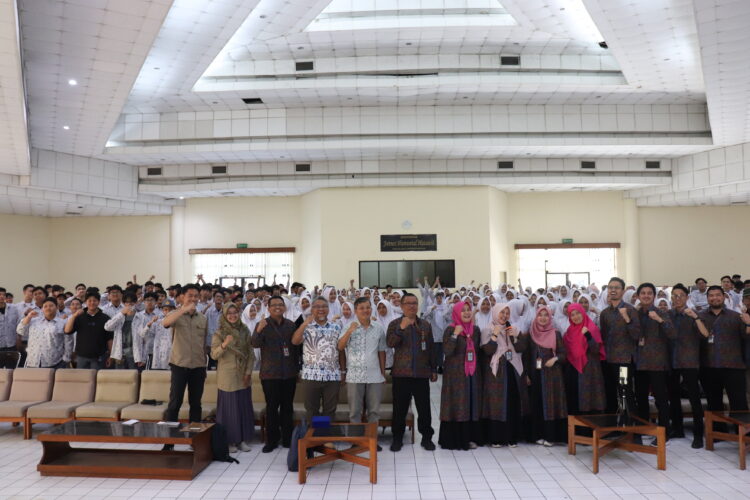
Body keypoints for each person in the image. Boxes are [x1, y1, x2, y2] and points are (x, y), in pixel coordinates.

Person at [386, 292, 437, 451]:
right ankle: (397, 438)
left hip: (421, 374)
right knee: (400, 409)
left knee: (424, 409)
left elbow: (431, 348)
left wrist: (433, 369)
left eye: (414, 303)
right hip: (401, 374)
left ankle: (426, 438)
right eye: (408, 303)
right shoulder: (395, 324)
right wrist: (401, 328)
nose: (412, 306)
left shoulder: (425, 325)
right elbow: (390, 343)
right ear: (401, 306)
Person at [251, 295, 299, 453]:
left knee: (287, 408)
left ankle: (287, 439)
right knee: (272, 408)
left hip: (289, 373)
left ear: (284, 307)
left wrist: (297, 369)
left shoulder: (291, 325)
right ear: (269, 308)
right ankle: (271, 441)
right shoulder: (263, 324)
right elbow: (254, 343)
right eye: (274, 305)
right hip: (270, 374)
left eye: (280, 305)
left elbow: (295, 349)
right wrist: (258, 330)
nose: (277, 307)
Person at [337, 297, 386, 451]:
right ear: (356, 311)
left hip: (374, 375)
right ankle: (356, 441)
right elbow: (340, 347)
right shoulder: (348, 326)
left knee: (373, 411)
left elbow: (381, 351)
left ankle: (372, 440)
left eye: (368, 307)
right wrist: (350, 331)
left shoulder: (378, 328)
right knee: (355, 412)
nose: (366, 310)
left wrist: (383, 373)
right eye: (362, 308)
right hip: (354, 376)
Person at [699, 285, 750, 427]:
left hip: (733, 366)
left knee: (739, 402)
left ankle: (743, 434)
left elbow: (746, 337)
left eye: (718, 295)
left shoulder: (736, 316)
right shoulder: (700, 317)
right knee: (713, 402)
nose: (714, 298)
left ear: (723, 297)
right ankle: (718, 433)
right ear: (707, 298)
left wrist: (749, 323)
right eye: (711, 295)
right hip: (709, 366)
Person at [162, 284, 209, 435]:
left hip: (198, 366)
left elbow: (203, 344)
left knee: (196, 405)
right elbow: (165, 323)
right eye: (190, 295)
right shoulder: (175, 314)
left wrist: (204, 365)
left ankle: (195, 439)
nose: (194, 298)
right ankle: (170, 441)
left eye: (196, 296)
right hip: (179, 365)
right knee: (175, 403)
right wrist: (182, 309)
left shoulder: (203, 318)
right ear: (182, 297)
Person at [480, 303, 528, 448]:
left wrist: (516, 337)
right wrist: (494, 335)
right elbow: (488, 351)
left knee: (512, 402)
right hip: (497, 372)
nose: (504, 316)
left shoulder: (512, 328)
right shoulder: (487, 329)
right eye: (502, 313)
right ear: (495, 313)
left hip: (513, 369)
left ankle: (512, 436)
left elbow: (522, 348)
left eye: (507, 313)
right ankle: (497, 438)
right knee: (497, 404)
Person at [633, 283, 676, 440]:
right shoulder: (635, 313)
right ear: (638, 296)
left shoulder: (661, 313)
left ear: (654, 296)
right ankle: (644, 428)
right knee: (641, 397)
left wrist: (659, 320)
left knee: (661, 398)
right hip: (639, 362)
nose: (646, 296)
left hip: (657, 362)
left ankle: (665, 430)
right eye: (642, 293)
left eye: (649, 293)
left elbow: (672, 334)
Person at [438, 301, 483, 450]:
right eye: (462, 311)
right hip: (455, 377)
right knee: (457, 406)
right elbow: (447, 351)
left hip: (471, 375)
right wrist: (455, 335)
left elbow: (478, 352)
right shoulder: (450, 329)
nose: (466, 313)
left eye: (468, 310)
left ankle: (470, 438)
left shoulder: (475, 330)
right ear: (456, 313)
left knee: (470, 404)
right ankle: (456, 440)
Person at [668, 283, 708, 448]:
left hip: (690, 361)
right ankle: (677, 428)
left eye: (681, 296)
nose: (678, 299)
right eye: (675, 296)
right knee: (674, 397)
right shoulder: (668, 314)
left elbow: (705, 334)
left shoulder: (694, 314)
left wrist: (696, 318)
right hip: (671, 361)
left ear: (687, 297)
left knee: (694, 398)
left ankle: (698, 433)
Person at [211, 303, 255, 453]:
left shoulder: (245, 330)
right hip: (227, 376)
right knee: (229, 410)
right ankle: (229, 441)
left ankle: (241, 440)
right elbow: (214, 355)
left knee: (242, 408)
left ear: (239, 313)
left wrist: (248, 372)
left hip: (243, 375)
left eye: (235, 312)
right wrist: (224, 344)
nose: (232, 315)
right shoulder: (219, 333)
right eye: (229, 313)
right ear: (224, 315)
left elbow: (250, 354)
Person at [292, 297, 342, 426]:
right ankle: (313, 439)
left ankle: (325, 439)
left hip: (332, 376)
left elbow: (341, 350)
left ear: (328, 309)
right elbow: (295, 341)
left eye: (324, 306)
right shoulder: (307, 327)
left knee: (329, 410)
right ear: (312, 309)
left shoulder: (336, 327)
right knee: (312, 410)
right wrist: (304, 324)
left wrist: (343, 371)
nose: (321, 309)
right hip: (310, 375)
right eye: (317, 307)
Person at [525, 306, 567, 446]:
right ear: (536, 317)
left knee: (551, 404)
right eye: (540, 315)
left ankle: (551, 436)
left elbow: (563, 354)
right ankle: (538, 435)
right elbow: (526, 356)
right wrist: (526, 375)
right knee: (537, 404)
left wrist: (554, 359)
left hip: (552, 376)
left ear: (550, 318)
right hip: (535, 375)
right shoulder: (531, 334)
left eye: (546, 315)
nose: (543, 318)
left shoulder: (556, 334)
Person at [599, 277, 640, 413]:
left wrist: (627, 319)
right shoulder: (605, 313)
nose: (613, 290)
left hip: (624, 361)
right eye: (610, 287)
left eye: (616, 288)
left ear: (623, 291)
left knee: (625, 393)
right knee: (610, 393)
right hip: (608, 361)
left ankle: (631, 429)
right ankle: (612, 428)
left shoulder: (630, 310)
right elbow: (603, 336)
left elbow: (636, 335)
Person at [564, 303, 606, 415]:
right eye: (572, 315)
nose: (576, 316)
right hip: (573, 370)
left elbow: (596, 350)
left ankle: (590, 431)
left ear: (583, 313)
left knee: (589, 400)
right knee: (575, 401)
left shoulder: (592, 328)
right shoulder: (569, 331)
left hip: (589, 370)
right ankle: (576, 430)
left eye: (578, 313)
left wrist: (588, 335)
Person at [64, 290, 112, 369]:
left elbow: (109, 338)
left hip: (99, 357)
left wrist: (110, 355)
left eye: (94, 300)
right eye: (89, 300)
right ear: (85, 302)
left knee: (97, 380)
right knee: (82, 380)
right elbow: (67, 330)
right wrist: (74, 316)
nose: (92, 303)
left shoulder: (105, 318)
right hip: (81, 357)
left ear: (99, 302)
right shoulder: (79, 317)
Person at [16, 297, 66, 368]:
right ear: (42, 309)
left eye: (51, 306)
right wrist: (28, 317)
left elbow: (67, 341)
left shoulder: (62, 323)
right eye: (45, 306)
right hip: (33, 361)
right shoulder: (34, 321)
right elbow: (20, 331)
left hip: (53, 362)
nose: (48, 308)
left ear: (57, 307)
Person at [104, 292, 144, 370]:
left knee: (134, 378)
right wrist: (121, 313)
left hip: (135, 354)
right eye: (127, 303)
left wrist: (143, 357)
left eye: (131, 303)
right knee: (120, 379)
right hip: (120, 354)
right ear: (123, 303)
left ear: (135, 303)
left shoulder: (141, 317)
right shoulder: (119, 316)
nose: (129, 305)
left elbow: (145, 338)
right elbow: (107, 327)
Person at [0, 287, 20, 353]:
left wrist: (18, 339)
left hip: (12, 344)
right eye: (0, 294)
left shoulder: (13, 308)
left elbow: (18, 324)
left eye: (3, 295)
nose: (2, 296)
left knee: (12, 362)